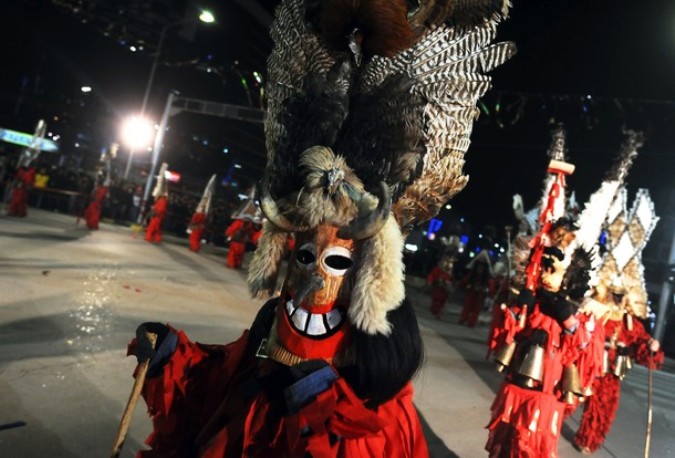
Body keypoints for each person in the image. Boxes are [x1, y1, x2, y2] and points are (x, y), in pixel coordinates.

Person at [124, 0, 513, 456]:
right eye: (306, 256)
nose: (314, 277)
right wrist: (173, 357)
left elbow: (375, 440)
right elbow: (223, 383)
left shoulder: (373, 380)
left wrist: (319, 414)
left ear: (367, 271)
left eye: (336, 261)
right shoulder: (273, 327)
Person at [573, 188, 663, 455]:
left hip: (611, 374)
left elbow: (642, 349)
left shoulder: (630, 323)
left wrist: (653, 349)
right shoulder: (594, 309)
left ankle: (587, 440)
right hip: (587, 366)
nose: (619, 299)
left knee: (603, 408)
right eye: (615, 293)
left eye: (623, 295)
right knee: (568, 395)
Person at [458, 249, 493, 327]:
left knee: (476, 308)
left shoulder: (486, 270)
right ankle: (463, 319)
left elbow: (488, 281)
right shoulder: (475, 266)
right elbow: (470, 276)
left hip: (481, 290)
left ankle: (471, 322)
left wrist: (488, 289)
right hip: (472, 288)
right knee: (468, 305)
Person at [188, 174, 216, 253]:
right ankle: (194, 247)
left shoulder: (200, 214)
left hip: (197, 227)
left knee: (194, 238)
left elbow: (195, 220)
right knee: (196, 238)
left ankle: (195, 248)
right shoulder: (205, 214)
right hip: (201, 227)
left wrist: (192, 224)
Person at [145, 163, 169, 243]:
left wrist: (154, 210)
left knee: (153, 228)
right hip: (157, 216)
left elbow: (161, 209)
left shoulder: (162, 200)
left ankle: (151, 238)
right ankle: (154, 238)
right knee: (155, 228)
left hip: (157, 216)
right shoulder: (161, 200)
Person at [426, 254, 454, 319]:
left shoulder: (449, 272)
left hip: (445, 288)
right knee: (437, 300)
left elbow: (451, 280)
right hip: (438, 286)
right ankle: (435, 311)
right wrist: (430, 281)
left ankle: (438, 313)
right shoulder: (438, 269)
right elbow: (431, 275)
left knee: (443, 301)